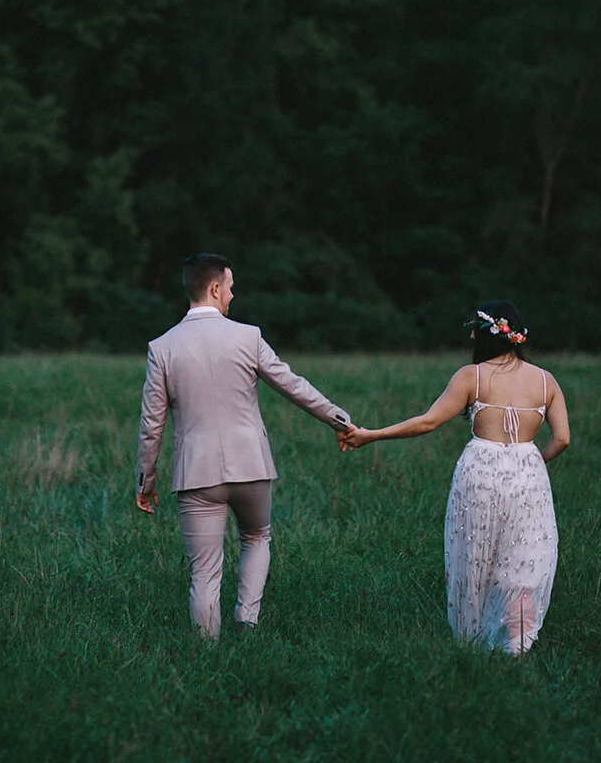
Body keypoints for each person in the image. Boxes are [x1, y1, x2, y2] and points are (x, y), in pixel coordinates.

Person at [135, 253, 354, 638]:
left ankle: (206, 653)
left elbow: (152, 425)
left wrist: (145, 481)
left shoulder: (162, 348)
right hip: (252, 466)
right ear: (215, 288)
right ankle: (246, 621)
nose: (233, 296)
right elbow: (294, 387)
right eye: (231, 288)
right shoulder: (248, 336)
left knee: (204, 572)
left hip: (196, 475)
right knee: (257, 538)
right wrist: (339, 419)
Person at [339, 301, 570, 653]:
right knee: (523, 559)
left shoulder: (471, 376)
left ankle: (471, 640)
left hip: (481, 471)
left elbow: (428, 421)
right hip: (528, 473)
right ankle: (517, 645)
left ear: (488, 335)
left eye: (474, 329)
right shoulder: (545, 380)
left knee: (475, 554)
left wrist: (371, 434)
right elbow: (563, 439)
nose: (471, 336)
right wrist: (534, 460)